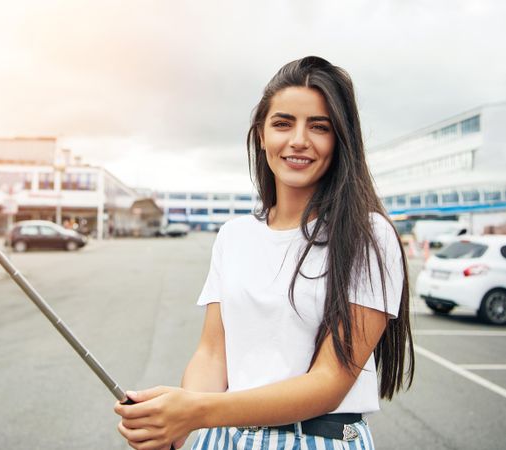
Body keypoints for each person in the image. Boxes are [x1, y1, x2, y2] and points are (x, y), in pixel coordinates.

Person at [114, 56, 415, 450]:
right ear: (261, 134)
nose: (299, 140)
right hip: (221, 438)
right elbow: (212, 353)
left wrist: (195, 411)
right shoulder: (233, 235)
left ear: (341, 139)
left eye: (319, 127)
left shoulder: (368, 235)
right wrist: (178, 423)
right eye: (283, 123)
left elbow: (329, 382)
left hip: (317, 440)